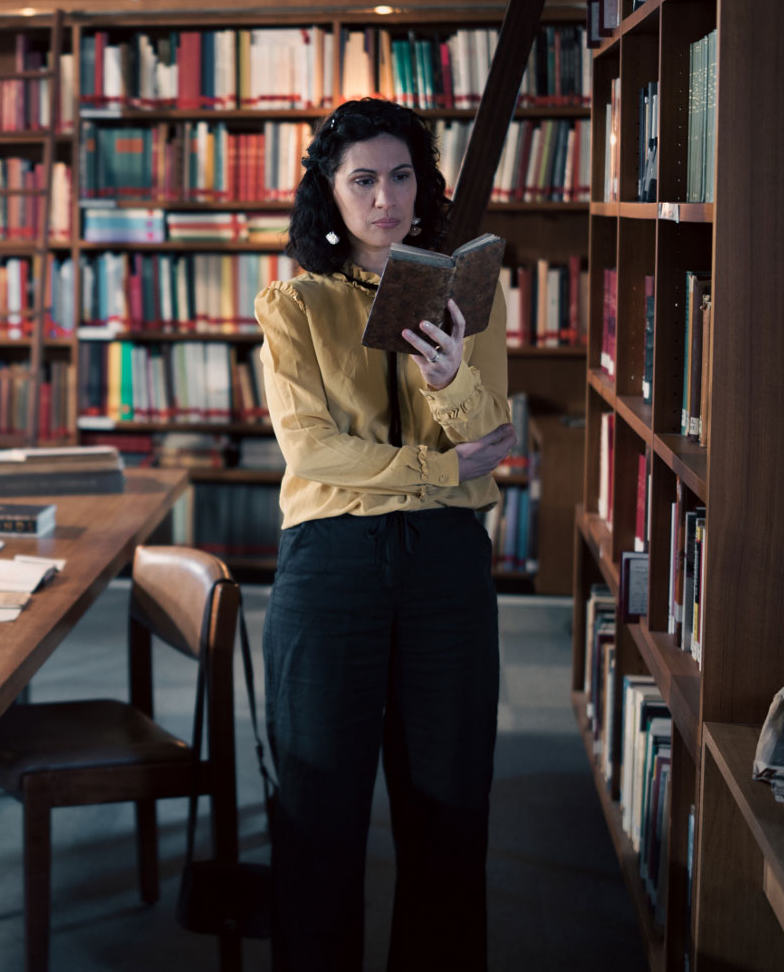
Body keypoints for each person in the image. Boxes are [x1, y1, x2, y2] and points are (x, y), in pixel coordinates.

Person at [255, 97, 517, 971]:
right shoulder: (295, 304)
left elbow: (489, 439)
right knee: (319, 813)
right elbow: (313, 449)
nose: (384, 198)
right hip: (333, 562)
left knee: (449, 809)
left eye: (401, 175)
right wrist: (439, 469)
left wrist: (448, 380)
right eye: (362, 179)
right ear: (329, 193)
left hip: (445, 564)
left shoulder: (469, 289)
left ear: (423, 184)